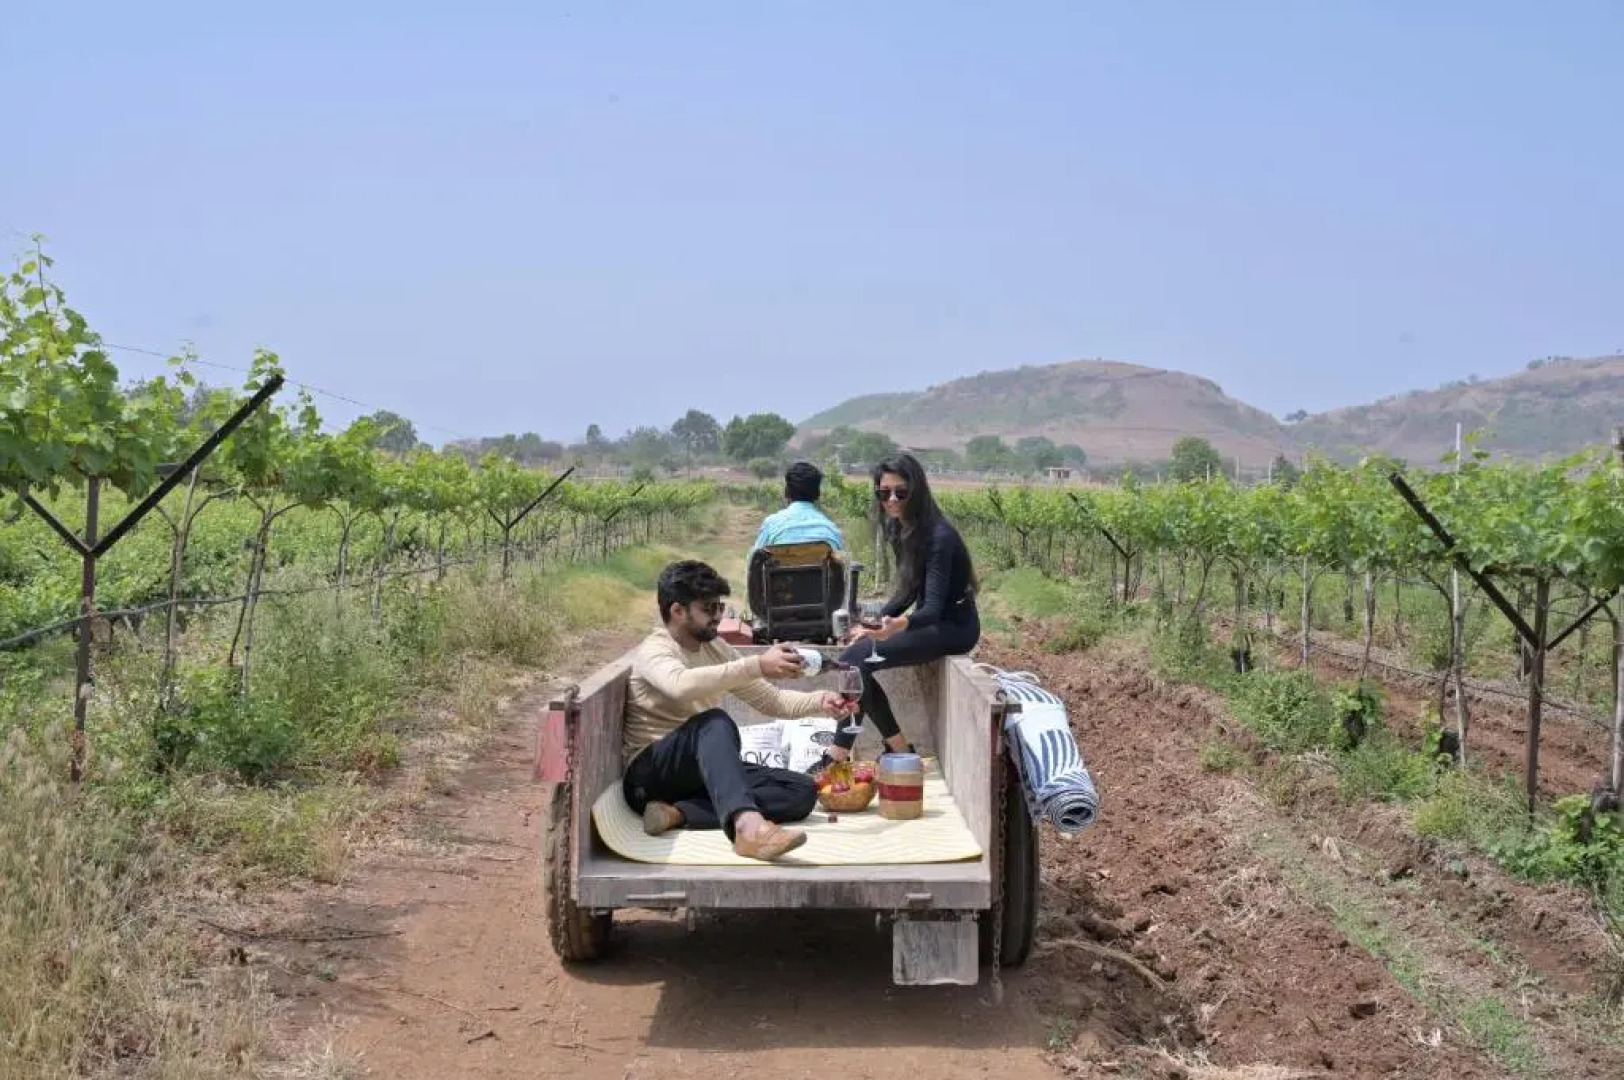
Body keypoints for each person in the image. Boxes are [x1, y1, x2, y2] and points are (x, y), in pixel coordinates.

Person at [623, 559, 859, 861]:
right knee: (714, 722)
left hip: (699, 774)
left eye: (720, 607)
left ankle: (678, 813)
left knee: (801, 791)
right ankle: (748, 829)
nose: (717, 617)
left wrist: (821, 701)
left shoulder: (716, 648)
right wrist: (756, 664)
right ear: (678, 611)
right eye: (708, 609)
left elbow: (772, 701)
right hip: (650, 776)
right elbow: (679, 685)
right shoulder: (656, 649)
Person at [819, 452, 980, 767]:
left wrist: (896, 625)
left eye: (900, 492)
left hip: (954, 627)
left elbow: (932, 608)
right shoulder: (900, 528)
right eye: (884, 493)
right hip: (929, 622)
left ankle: (843, 756)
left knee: (853, 662)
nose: (891, 500)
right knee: (852, 662)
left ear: (917, 491)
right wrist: (873, 623)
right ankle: (894, 749)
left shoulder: (939, 537)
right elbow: (908, 590)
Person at [747, 461, 845, 557]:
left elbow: (753, 561)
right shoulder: (832, 530)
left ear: (787, 492)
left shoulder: (771, 525)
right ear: (817, 494)